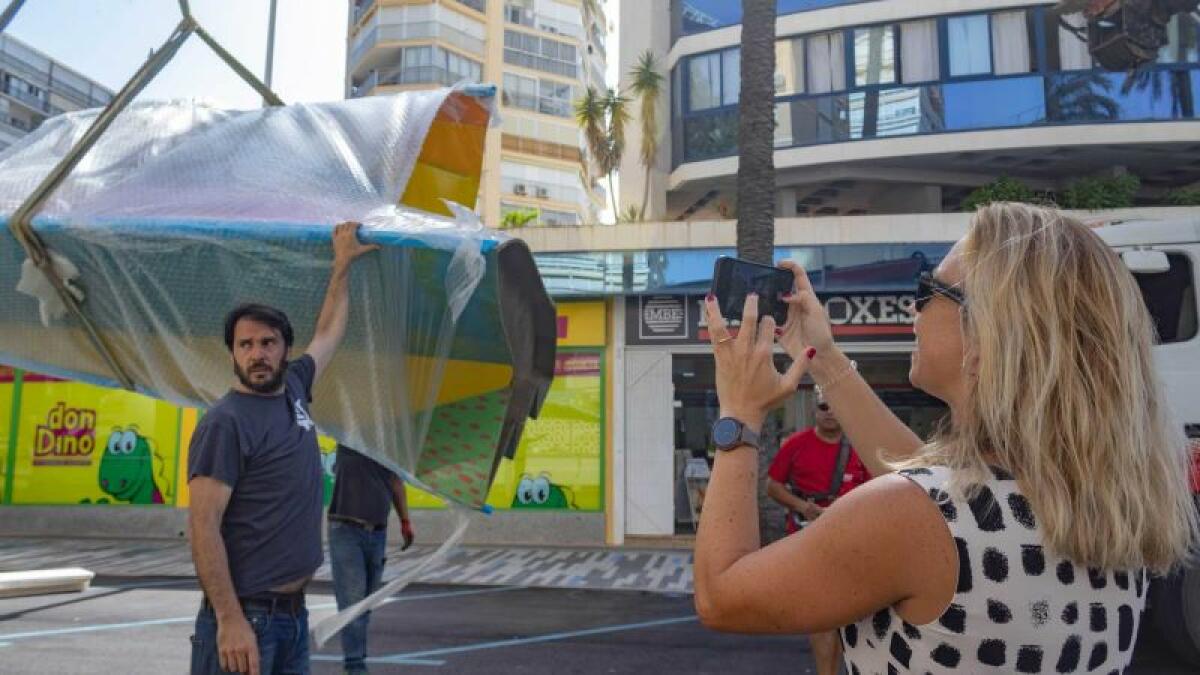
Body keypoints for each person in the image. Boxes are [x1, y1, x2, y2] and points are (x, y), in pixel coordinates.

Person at [694, 202, 1198, 673]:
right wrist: (820, 356)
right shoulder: (1100, 498)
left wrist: (740, 415)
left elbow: (721, 595)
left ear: (988, 334)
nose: (914, 308)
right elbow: (928, 485)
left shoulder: (916, 516)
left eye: (927, 290)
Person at [188, 222, 380, 675]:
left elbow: (329, 330)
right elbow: (202, 526)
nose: (257, 354)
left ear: (285, 349)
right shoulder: (225, 423)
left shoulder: (295, 385)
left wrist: (342, 266)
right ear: (233, 354)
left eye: (268, 343)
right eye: (246, 345)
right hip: (247, 621)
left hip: (292, 618)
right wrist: (230, 620)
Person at [765, 398, 870, 675]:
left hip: (853, 541)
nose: (831, 411)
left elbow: (881, 489)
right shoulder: (796, 444)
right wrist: (803, 507)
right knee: (822, 614)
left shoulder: (861, 446)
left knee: (853, 616)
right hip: (808, 539)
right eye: (824, 406)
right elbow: (772, 485)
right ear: (815, 411)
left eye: (835, 405)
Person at [328, 444, 415, 675]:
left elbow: (396, 482)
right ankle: (355, 665)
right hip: (346, 529)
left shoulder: (386, 445)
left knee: (365, 602)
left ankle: (358, 657)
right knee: (353, 601)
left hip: (377, 533)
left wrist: (405, 522)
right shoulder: (347, 440)